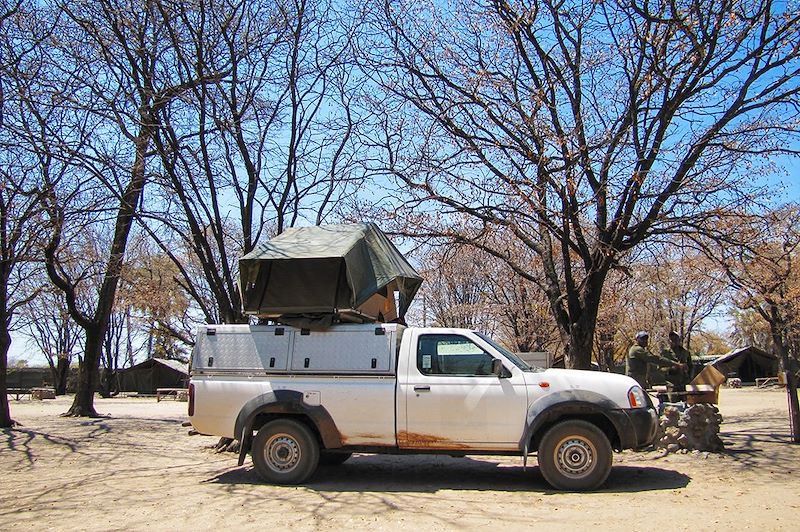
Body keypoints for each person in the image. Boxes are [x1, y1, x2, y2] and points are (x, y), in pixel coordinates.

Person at [661, 331, 692, 399]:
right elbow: (660, 368)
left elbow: (691, 367)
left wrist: (687, 372)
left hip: (683, 383)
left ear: (679, 340)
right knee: (673, 405)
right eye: (671, 339)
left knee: (684, 405)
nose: (673, 341)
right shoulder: (665, 353)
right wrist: (671, 369)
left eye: (675, 339)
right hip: (671, 383)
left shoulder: (685, 352)